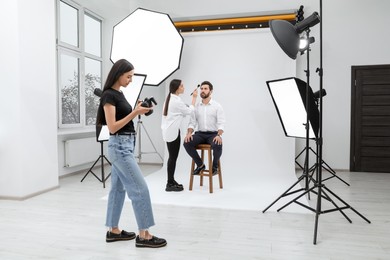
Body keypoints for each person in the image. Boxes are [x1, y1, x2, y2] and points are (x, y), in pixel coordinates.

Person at [96, 59, 167, 248]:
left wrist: (137, 109)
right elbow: (112, 127)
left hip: (126, 144)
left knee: (118, 190)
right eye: (128, 76)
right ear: (118, 74)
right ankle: (144, 235)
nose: (130, 80)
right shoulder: (109, 96)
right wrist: (135, 113)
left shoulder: (119, 94)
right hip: (119, 146)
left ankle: (113, 230)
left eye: (132, 76)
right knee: (140, 189)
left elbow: (124, 117)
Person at [161, 79, 197, 192]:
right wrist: (194, 99)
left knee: (172, 157)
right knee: (173, 158)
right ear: (177, 88)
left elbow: (181, 110)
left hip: (169, 131)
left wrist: (185, 107)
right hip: (173, 133)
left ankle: (171, 181)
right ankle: (169, 183)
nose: (183, 87)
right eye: (182, 86)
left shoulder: (171, 98)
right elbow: (189, 111)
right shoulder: (176, 101)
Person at [183, 81, 226, 176]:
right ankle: (200, 164)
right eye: (201, 88)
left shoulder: (217, 106)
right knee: (187, 142)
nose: (203, 90)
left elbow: (221, 123)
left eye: (205, 89)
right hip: (200, 134)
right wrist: (189, 133)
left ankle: (214, 166)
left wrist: (219, 135)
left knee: (217, 144)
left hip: (213, 134)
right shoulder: (196, 106)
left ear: (211, 91)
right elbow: (192, 122)